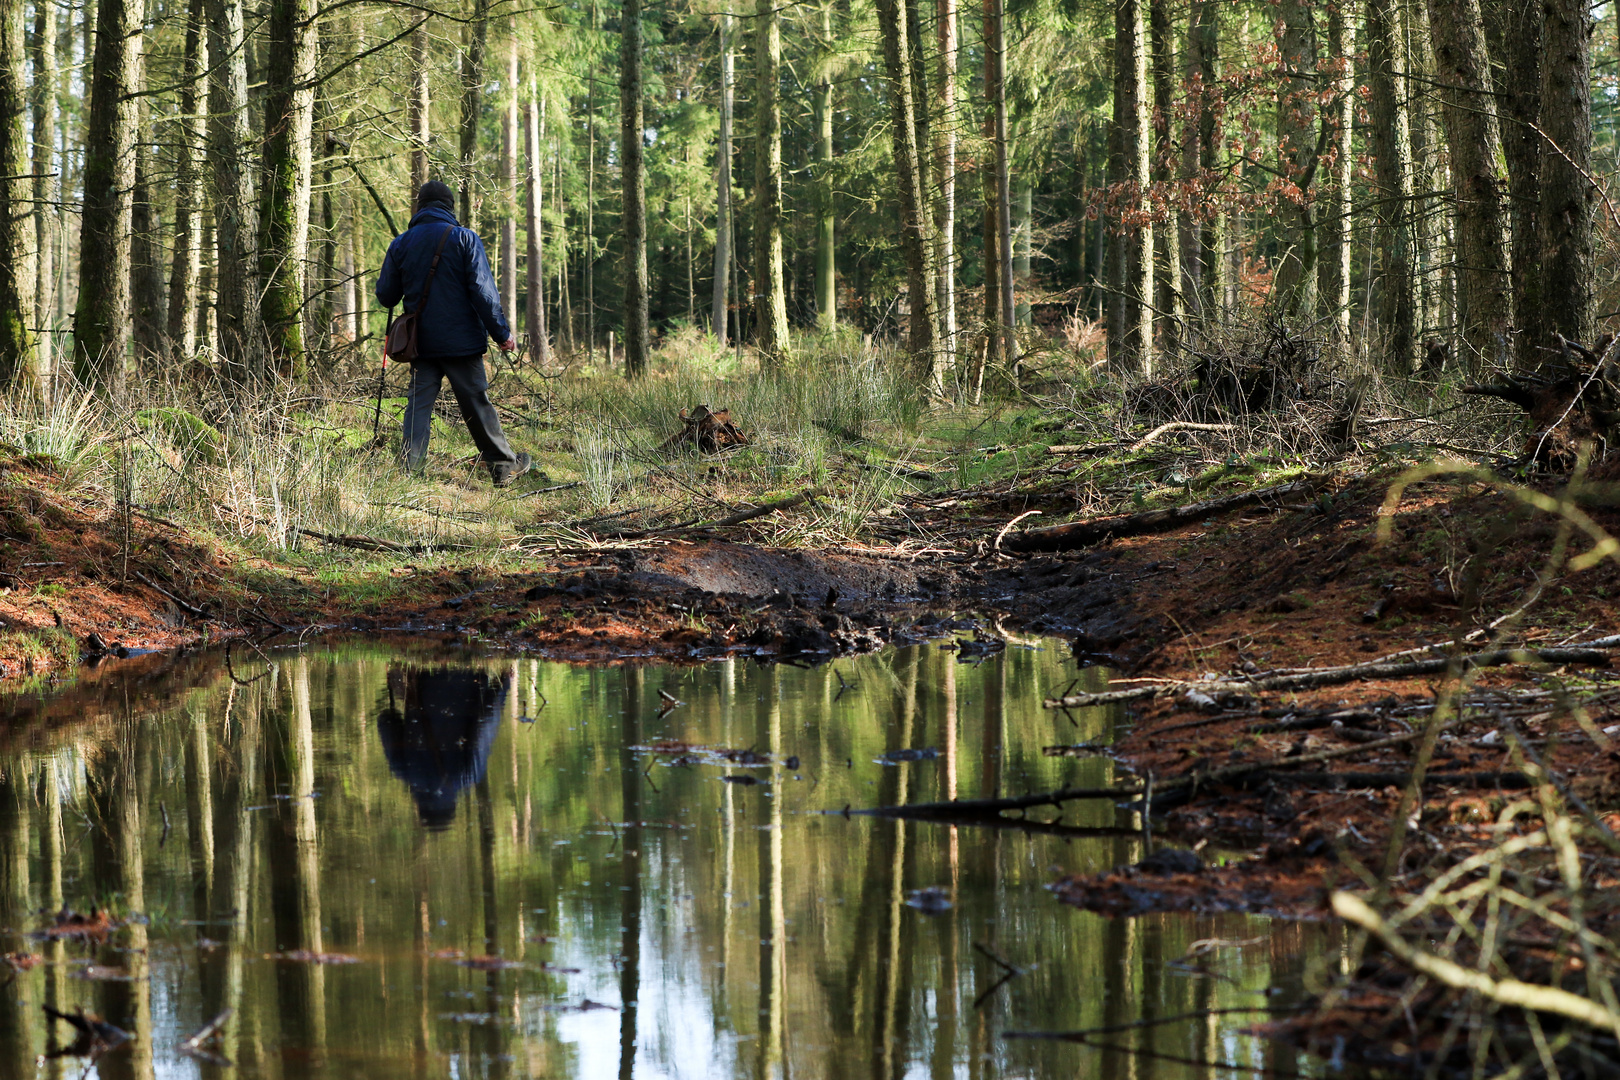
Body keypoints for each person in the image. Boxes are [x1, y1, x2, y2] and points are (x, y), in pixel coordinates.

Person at [376, 180, 533, 486]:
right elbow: (483, 293)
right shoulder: (464, 238)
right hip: (461, 342)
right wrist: (501, 333)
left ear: (420, 207)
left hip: (421, 343)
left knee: (418, 405)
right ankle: (502, 466)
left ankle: (409, 471)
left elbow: (386, 296)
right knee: (475, 402)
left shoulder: (401, 243)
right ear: (449, 207)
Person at [377, 664, 508, 830]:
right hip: (423, 668)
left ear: (452, 804)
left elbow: (487, 722)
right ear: (420, 808)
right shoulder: (403, 771)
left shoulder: (467, 776)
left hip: (470, 669)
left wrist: (503, 685)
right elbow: (385, 721)